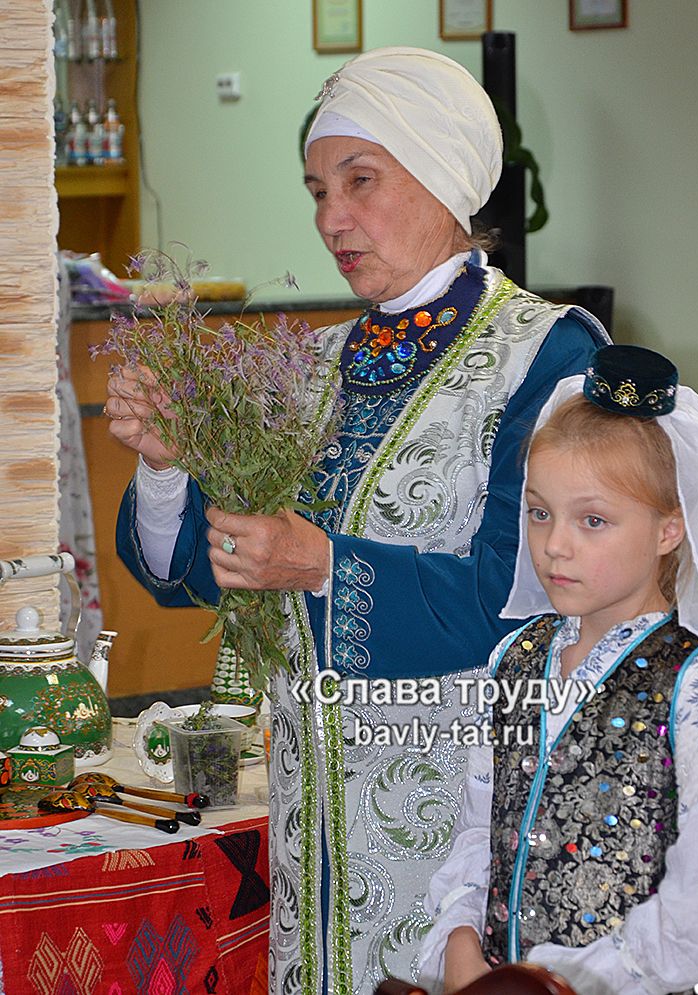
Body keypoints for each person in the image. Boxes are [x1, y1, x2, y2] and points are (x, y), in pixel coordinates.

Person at [105, 48, 609, 995]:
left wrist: (329, 563)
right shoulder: (315, 362)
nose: (332, 217)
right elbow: (206, 575)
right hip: (315, 833)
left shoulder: (543, 355)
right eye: (316, 189)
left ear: (445, 179)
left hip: (465, 818)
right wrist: (166, 466)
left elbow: (539, 596)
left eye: (360, 182)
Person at [419, 345, 698, 995]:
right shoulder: (514, 662)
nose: (554, 544)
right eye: (539, 510)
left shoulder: (695, 689)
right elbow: (478, 828)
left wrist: (558, 981)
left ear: (669, 528)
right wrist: (460, 939)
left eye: (593, 520)